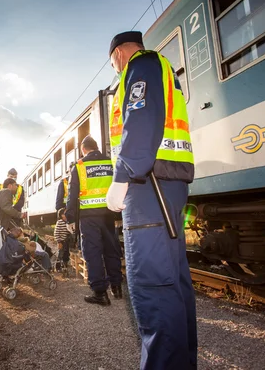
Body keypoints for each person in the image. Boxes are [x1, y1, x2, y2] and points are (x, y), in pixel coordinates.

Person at [105, 30, 197, 369]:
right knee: (173, 283)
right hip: (165, 185)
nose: (114, 68)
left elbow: (140, 118)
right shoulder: (160, 67)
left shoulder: (140, 66)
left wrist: (123, 174)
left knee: (153, 286)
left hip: (149, 186)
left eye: (113, 61)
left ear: (118, 53)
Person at [65, 135, 122, 306]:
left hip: (88, 217)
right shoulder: (111, 162)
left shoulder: (80, 166)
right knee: (112, 250)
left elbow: (72, 196)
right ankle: (117, 287)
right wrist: (119, 216)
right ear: (96, 147)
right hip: (109, 214)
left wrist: (70, 218)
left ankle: (100, 293)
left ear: (83, 149)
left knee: (93, 253)